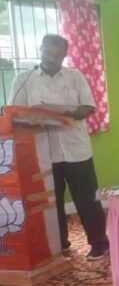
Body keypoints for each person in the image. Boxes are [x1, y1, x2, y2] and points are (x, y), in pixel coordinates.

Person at [9, 34, 110, 260]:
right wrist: (37, 119)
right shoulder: (24, 79)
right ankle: (59, 244)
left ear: (64, 55)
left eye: (56, 54)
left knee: (87, 200)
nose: (50, 58)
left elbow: (88, 107)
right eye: (46, 52)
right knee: (51, 203)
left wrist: (63, 113)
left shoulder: (75, 77)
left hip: (76, 150)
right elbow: (15, 114)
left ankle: (99, 243)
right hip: (43, 152)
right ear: (40, 50)